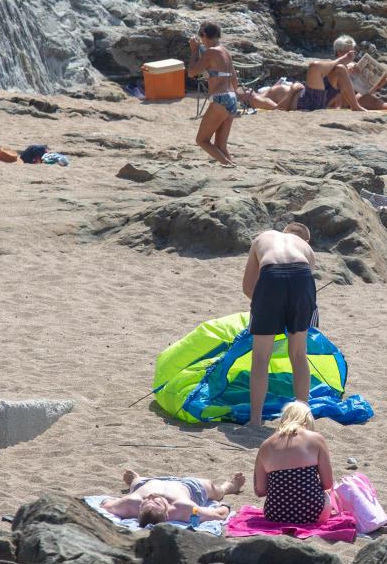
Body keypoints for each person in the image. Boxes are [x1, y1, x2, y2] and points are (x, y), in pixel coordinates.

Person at [242, 223, 317, 426]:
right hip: (301, 276)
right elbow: (307, 283)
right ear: (305, 240)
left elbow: (248, 287)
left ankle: (255, 421)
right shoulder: (305, 248)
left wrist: (265, 308)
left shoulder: (262, 238)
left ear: (284, 232)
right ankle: (302, 419)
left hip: (271, 276)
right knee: (299, 355)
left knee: (260, 357)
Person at [253, 401, 334, 524]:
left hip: (275, 514)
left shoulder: (265, 445)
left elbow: (260, 491)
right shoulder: (316, 439)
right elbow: (328, 483)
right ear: (306, 420)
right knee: (332, 493)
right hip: (313, 513)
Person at [101, 469, 245, 527]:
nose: (150, 497)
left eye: (146, 502)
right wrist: (224, 506)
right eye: (156, 502)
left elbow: (105, 504)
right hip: (188, 487)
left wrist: (121, 506)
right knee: (214, 489)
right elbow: (218, 516)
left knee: (136, 486)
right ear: (167, 513)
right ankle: (228, 487)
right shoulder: (183, 508)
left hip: (146, 483)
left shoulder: (132, 504)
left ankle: (136, 480)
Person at [188, 23, 239, 167]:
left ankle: (229, 166)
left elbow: (191, 72)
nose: (200, 39)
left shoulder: (210, 52)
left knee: (202, 140)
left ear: (205, 36)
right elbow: (235, 81)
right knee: (220, 146)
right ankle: (233, 169)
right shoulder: (226, 52)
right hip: (232, 98)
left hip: (220, 98)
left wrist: (194, 50)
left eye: (201, 35)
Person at [327, 36, 387, 113]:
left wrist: (378, 84)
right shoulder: (332, 65)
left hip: (353, 99)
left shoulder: (354, 65)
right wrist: (346, 71)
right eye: (348, 53)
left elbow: (364, 90)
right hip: (336, 99)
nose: (352, 56)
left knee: (369, 99)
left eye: (353, 53)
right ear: (339, 53)